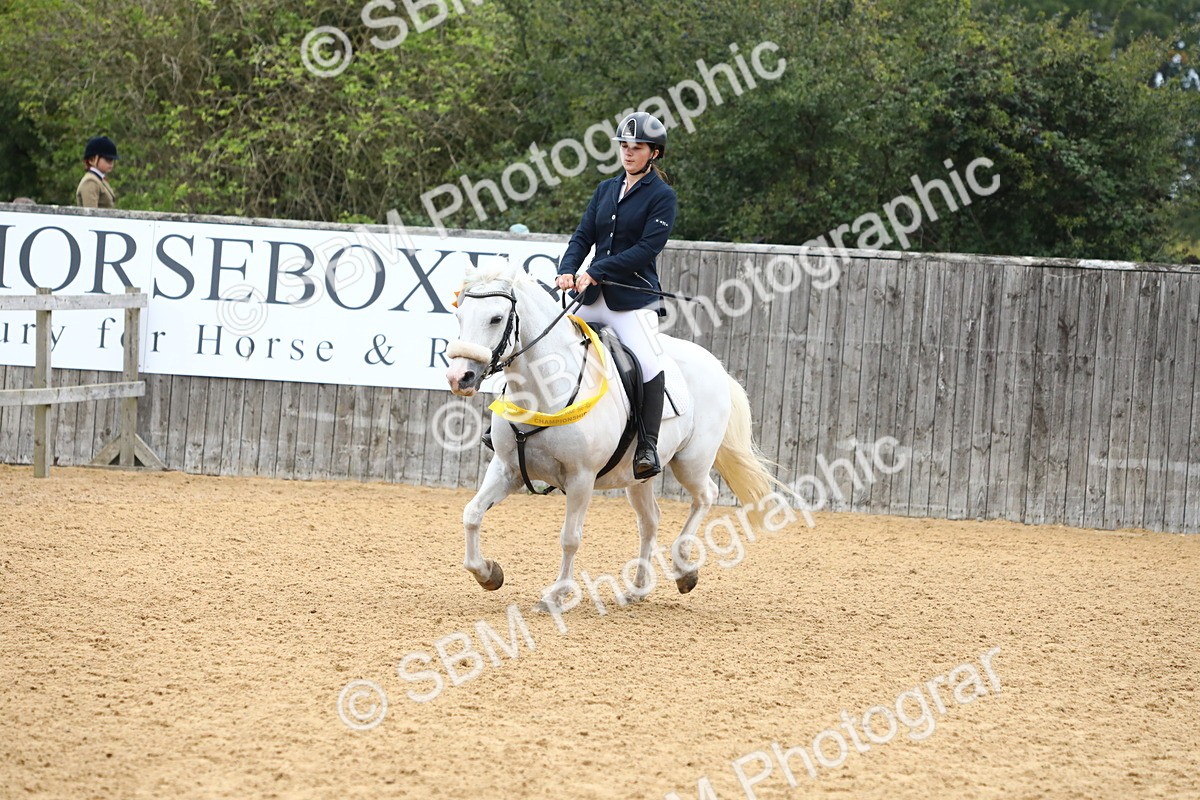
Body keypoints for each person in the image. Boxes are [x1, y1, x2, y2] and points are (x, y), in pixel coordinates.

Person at [555, 111, 677, 480]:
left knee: (648, 363)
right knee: (547, 346)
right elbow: (583, 234)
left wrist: (596, 270)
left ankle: (647, 446)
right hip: (592, 298)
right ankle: (517, 423)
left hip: (633, 300)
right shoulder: (606, 189)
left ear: (653, 153)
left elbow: (646, 248)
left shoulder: (662, 197)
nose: (628, 153)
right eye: (624, 146)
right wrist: (568, 267)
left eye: (636, 148)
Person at [75, 136, 119, 208]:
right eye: (107, 159)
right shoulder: (90, 182)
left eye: (112, 159)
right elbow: (91, 214)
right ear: (92, 160)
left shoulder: (100, 180)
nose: (111, 163)